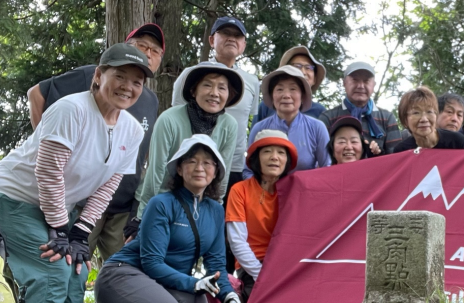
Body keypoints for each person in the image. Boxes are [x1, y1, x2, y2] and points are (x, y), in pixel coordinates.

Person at [0, 44, 151, 303]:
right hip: (11, 198)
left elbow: (108, 186)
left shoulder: (133, 130)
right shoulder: (71, 109)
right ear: (99, 75)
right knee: (51, 270)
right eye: (120, 76)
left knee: (77, 270)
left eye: (136, 81)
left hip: (56, 207)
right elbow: (48, 174)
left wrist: (80, 231)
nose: (127, 86)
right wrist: (60, 228)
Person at [89, 135, 243, 303]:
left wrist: (229, 295)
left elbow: (216, 264)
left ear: (216, 171)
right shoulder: (161, 204)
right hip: (121, 276)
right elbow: (152, 262)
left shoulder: (215, 211)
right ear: (179, 169)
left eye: (207, 162)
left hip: (158, 284)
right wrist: (193, 282)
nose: (199, 168)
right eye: (191, 161)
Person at [25, 23, 163, 262]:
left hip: (123, 204)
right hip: (81, 200)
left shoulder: (150, 99)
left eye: (155, 51)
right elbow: (37, 94)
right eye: (142, 46)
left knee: (123, 273)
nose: (148, 53)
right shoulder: (92, 74)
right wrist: (50, 148)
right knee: (68, 266)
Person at [136, 62, 243, 216]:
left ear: (229, 95)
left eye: (222, 88)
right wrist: (143, 214)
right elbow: (156, 170)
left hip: (198, 204)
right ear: (193, 91)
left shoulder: (229, 124)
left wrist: (215, 210)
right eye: (207, 85)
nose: (214, 93)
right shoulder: (169, 118)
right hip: (160, 198)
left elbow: (222, 173)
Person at [171, 17, 260, 194]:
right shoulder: (191, 75)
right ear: (212, 40)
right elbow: (175, 117)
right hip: (193, 164)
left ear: (243, 45)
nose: (231, 38)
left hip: (233, 167)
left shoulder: (251, 82)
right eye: (225, 33)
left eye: (237, 36)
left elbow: (247, 119)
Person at [226, 130, 297, 302]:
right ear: (256, 158)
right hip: (253, 266)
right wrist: (261, 274)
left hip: (289, 265)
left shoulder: (295, 190)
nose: (274, 157)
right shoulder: (239, 190)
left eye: (281, 152)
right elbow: (237, 241)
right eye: (267, 151)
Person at [243, 65, 330, 177]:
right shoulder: (260, 128)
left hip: (305, 192)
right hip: (266, 193)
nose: (286, 95)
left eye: (293, 89)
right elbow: (248, 171)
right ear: (272, 95)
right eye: (279, 89)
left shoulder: (317, 127)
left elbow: (327, 168)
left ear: (302, 96)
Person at [320, 61, 400, 154]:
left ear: (374, 85)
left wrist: (378, 154)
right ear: (344, 83)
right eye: (355, 80)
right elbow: (323, 157)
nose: (361, 86)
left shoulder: (387, 118)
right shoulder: (328, 117)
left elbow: (396, 156)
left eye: (366, 81)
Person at [253, 45, 327, 123]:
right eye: (297, 66)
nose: (303, 72)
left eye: (308, 68)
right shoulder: (266, 107)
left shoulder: (320, 112)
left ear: (314, 79)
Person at [392, 86, 464, 152]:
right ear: (405, 120)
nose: (424, 119)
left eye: (429, 112)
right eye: (416, 113)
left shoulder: (457, 141)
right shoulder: (401, 150)